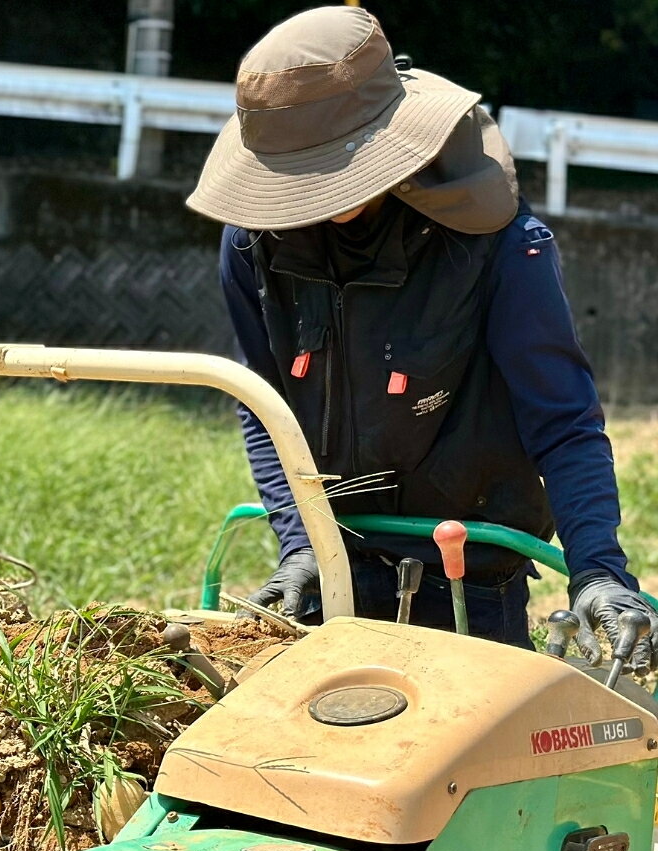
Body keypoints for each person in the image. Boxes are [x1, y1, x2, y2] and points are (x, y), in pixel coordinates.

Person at [186, 4, 656, 669]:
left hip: (468, 576)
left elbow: (563, 422)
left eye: (324, 169)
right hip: (335, 564)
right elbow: (265, 409)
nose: (308, 194)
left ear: (383, 137)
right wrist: (300, 544)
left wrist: (599, 571)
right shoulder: (253, 246)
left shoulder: (496, 245)